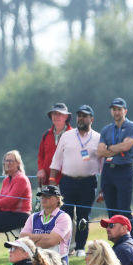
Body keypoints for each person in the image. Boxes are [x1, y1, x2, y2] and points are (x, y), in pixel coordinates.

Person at [50, 105, 101, 256]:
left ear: (91, 119)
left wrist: (103, 188)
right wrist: (52, 184)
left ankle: (80, 247)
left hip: (88, 182)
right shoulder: (67, 135)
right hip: (67, 181)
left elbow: (103, 164)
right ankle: (64, 247)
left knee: (83, 216)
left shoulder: (98, 138)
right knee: (65, 216)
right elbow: (56, 161)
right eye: (79, 115)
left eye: (85, 116)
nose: (81, 118)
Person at [96, 98, 133, 219]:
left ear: (125, 111)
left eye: (119, 109)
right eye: (114, 109)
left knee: (124, 210)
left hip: (123, 170)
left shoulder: (132, 127)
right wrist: (117, 149)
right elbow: (99, 151)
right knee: (111, 211)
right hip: (108, 171)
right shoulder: (106, 129)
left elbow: (126, 146)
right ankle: (114, 238)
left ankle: (130, 237)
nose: (116, 112)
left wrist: (108, 148)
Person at [19, 185, 72, 264]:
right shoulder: (33, 217)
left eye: (48, 196)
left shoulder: (64, 217)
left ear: (58, 199)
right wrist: (46, 236)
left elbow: (51, 241)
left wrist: (32, 242)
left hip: (57, 262)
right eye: (42, 196)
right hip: (36, 260)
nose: (44, 199)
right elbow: (22, 238)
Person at [37, 103, 72, 188]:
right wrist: (41, 169)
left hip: (66, 181)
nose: (56, 116)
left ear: (66, 117)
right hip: (47, 181)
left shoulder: (73, 134)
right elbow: (41, 156)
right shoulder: (46, 134)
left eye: (60, 114)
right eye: (54, 114)